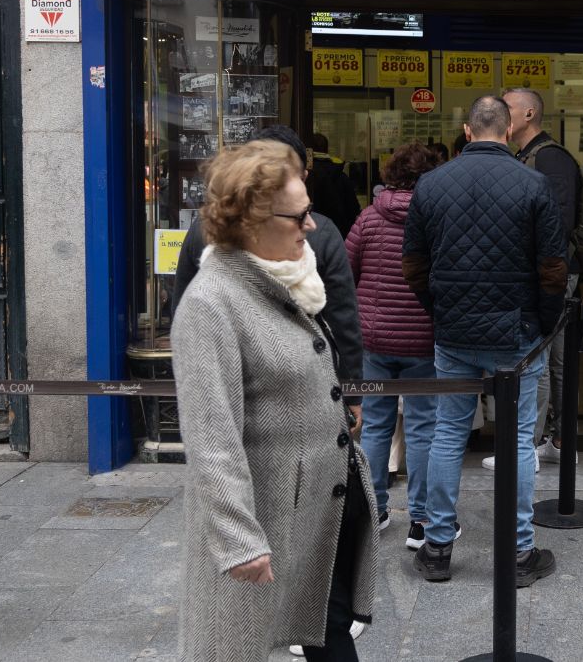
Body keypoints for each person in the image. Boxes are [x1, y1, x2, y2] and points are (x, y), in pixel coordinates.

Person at [173, 141, 376, 662]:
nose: (312, 226)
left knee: (327, 630)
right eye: (300, 214)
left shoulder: (290, 278)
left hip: (318, 507)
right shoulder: (212, 303)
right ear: (252, 220)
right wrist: (239, 539)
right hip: (264, 516)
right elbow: (210, 438)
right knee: (230, 645)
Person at [402, 96, 563, 586]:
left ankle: (437, 548)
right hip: (517, 332)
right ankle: (518, 552)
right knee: (516, 438)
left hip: (454, 331)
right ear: (510, 126)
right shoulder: (534, 183)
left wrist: (441, 311)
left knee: (448, 434)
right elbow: (553, 270)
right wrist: (543, 325)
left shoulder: (431, 185)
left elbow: (413, 267)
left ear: (467, 130)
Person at [174, 125, 364, 430]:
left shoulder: (203, 228)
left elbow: (182, 309)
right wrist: (351, 388)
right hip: (287, 398)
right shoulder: (324, 234)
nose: (308, 226)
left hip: (250, 397)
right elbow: (343, 319)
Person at [346, 143, 441, 547]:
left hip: (375, 339)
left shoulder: (368, 218)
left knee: (375, 425)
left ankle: (375, 510)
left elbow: (345, 273)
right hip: (423, 339)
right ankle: (421, 520)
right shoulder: (439, 219)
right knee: (422, 429)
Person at [502, 87, 582, 468]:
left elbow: (561, 222)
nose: (502, 114)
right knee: (551, 359)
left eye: (509, 108)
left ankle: (532, 447)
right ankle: (554, 442)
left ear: (529, 114)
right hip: (541, 270)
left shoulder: (551, 158)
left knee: (544, 357)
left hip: (551, 273)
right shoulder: (525, 155)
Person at [305, 132, 363, 237]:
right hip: (339, 234)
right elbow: (353, 209)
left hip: (309, 235)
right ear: (326, 150)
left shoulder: (305, 176)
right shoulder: (341, 175)